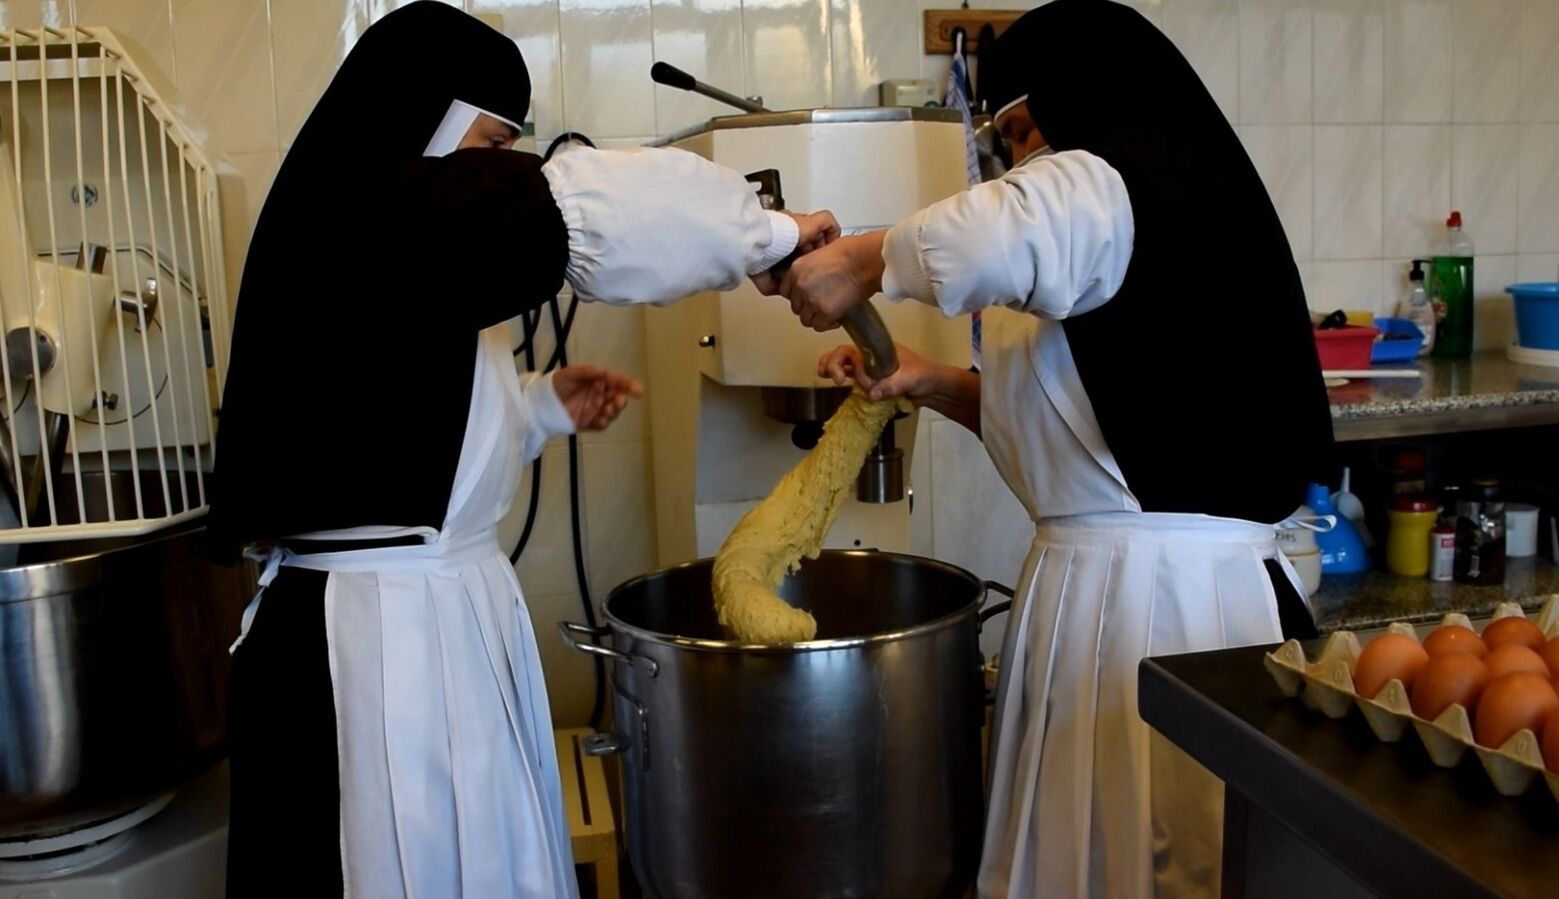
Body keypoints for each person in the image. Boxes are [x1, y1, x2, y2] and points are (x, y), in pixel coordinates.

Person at [208, 4, 836, 897]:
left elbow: (386, 418)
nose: (499, 172)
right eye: (492, 144)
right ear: (431, 119)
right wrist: (772, 234)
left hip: (424, 604)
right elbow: (596, 203)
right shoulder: (371, 202)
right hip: (380, 642)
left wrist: (537, 406)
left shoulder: (376, 218)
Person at [775, 1, 1331, 896]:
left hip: (1166, 615)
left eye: (1024, 131)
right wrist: (927, 380)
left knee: (1155, 860)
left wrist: (862, 261)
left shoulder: (1120, 180)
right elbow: (1086, 445)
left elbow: (999, 228)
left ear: (1091, 102)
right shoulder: (1126, 216)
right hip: (1105, 596)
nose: (1021, 160)